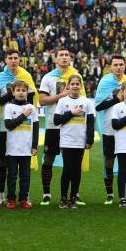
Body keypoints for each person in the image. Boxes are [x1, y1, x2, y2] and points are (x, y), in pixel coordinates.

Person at [38, 48, 86, 206]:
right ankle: (46, 193)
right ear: (55, 58)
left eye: (67, 55)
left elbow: (83, 100)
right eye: (61, 55)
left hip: (72, 127)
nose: (64, 58)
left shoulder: (76, 76)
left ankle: (73, 194)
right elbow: (42, 101)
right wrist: (61, 96)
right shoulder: (48, 78)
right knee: (49, 159)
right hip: (53, 125)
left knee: (72, 162)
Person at [0, 50, 38, 207]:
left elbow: (31, 97)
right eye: (10, 58)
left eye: (15, 58)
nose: (13, 61)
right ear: (5, 60)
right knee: (3, 161)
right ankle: (1, 194)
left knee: (23, 167)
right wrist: (12, 95)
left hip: (23, 128)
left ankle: (24, 196)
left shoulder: (26, 76)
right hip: (4, 124)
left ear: (20, 60)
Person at [94, 55, 126, 205]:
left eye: (121, 64)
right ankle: (110, 194)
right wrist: (117, 99)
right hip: (110, 129)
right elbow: (98, 106)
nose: (118, 67)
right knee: (109, 160)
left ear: (125, 65)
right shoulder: (105, 82)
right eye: (115, 64)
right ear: (110, 66)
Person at [53, 74, 95, 209]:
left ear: (81, 86)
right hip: (66, 141)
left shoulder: (87, 102)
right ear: (68, 86)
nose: (75, 86)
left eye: (78, 84)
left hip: (80, 141)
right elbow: (56, 120)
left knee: (77, 170)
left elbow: (91, 123)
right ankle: (63, 197)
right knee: (67, 169)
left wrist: (90, 140)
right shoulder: (62, 101)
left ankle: (73, 197)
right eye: (73, 84)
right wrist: (71, 113)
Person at [3, 80, 39, 209]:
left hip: (26, 149)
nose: (21, 93)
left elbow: (35, 128)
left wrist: (34, 146)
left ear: (27, 92)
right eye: (18, 90)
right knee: (12, 176)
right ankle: (11, 199)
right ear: (13, 92)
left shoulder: (32, 108)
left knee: (25, 177)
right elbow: (9, 125)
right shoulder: (8, 107)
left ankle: (23, 199)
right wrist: (23, 115)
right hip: (12, 148)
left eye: (23, 90)